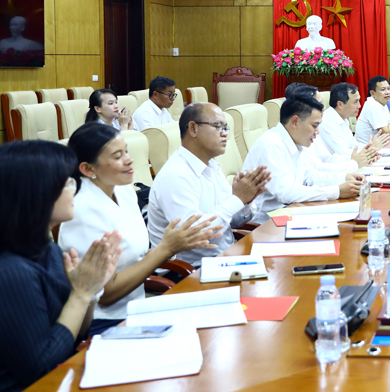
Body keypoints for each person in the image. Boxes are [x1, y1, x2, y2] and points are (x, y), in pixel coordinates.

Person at [58, 124, 221, 334]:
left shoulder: (123, 190)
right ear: (89, 169)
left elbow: (138, 257)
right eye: (118, 156)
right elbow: (105, 294)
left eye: (126, 151)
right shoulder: (82, 211)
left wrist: (174, 244)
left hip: (137, 309)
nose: (129, 159)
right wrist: (166, 249)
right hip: (104, 322)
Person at [0, 141, 120, 392]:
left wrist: (90, 291)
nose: (74, 189)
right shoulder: (9, 272)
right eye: (66, 183)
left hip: (62, 385)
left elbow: (74, 334)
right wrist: (80, 294)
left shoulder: (47, 248)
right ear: (33, 193)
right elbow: (42, 367)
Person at [148, 103, 272, 267]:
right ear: (193, 129)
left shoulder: (211, 165)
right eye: (218, 126)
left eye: (226, 128)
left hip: (223, 257)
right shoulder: (175, 175)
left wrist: (246, 201)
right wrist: (237, 199)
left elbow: (232, 221)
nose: (225, 134)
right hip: (190, 270)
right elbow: (195, 235)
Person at [243, 93, 364, 223]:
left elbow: (309, 177)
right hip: (269, 223)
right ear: (295, 122)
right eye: (314, 126)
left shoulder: (295, 141)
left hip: (291, 211)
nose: (317, 132)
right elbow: (287, 193)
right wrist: (337, 191)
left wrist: (344, 178)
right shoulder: (271, 145)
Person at [314, 82, 386, 167]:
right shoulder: (326, 121)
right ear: (340, 104)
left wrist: (370, 147)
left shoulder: (343, 118)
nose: (359, 106)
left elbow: (353, 145)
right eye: (355, 102)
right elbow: (342, 153)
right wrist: (370, 151)